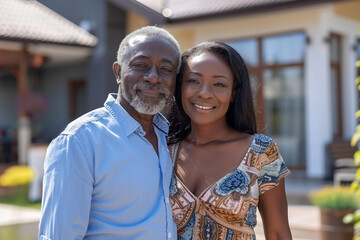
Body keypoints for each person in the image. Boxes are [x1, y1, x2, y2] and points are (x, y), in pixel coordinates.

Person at [38, 26, 181, 240]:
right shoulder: (79, 141)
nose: (153, 77)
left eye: (166, 69)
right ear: (118, 72)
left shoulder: (173, 137)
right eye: (141, 65)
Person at [167, 41, 292, 240]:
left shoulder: (261, 152)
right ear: (180, 87)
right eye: (193, 81)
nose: (204, 92)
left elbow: (278, 233)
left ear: (233, 93)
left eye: (219, 84)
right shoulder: (162, 151)